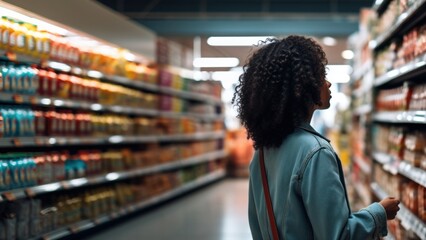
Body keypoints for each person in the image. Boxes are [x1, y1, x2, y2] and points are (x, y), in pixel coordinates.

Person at [232, 35, 400, 239]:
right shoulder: (316, 152)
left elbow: (257, 225)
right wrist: (379, 213)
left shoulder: (261, 152)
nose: (328, 83)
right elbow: (338, 236)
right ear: (302, 88)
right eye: (321, 76)